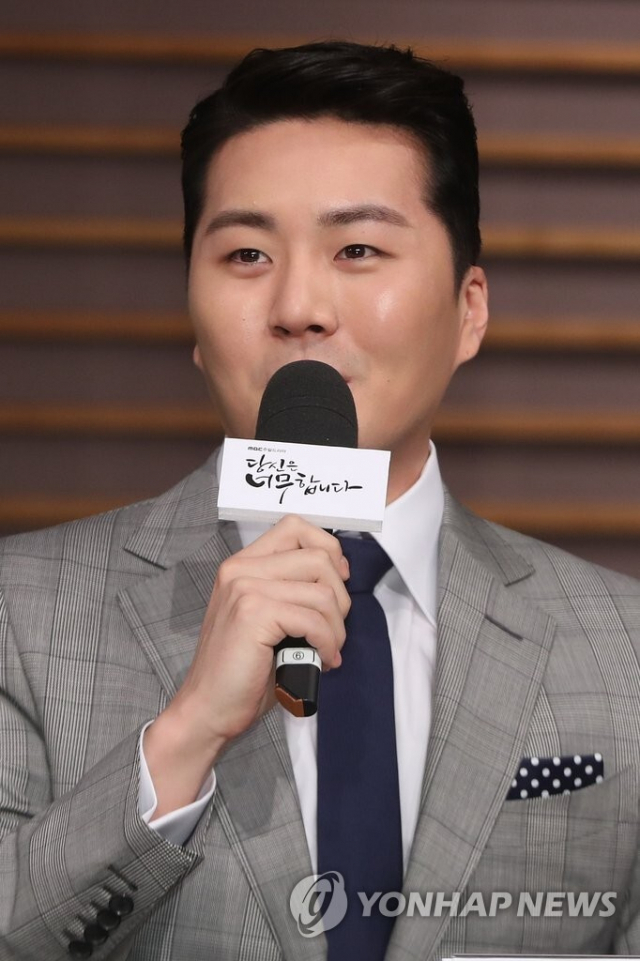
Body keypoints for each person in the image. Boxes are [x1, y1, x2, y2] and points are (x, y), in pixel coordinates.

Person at [1, 39, 639, 961]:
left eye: (358, 248)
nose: (299, 304)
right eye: (247, 253)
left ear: (469, 309)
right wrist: (184, 737)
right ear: (192, 315)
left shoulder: (624, 648)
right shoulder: (19, 612)